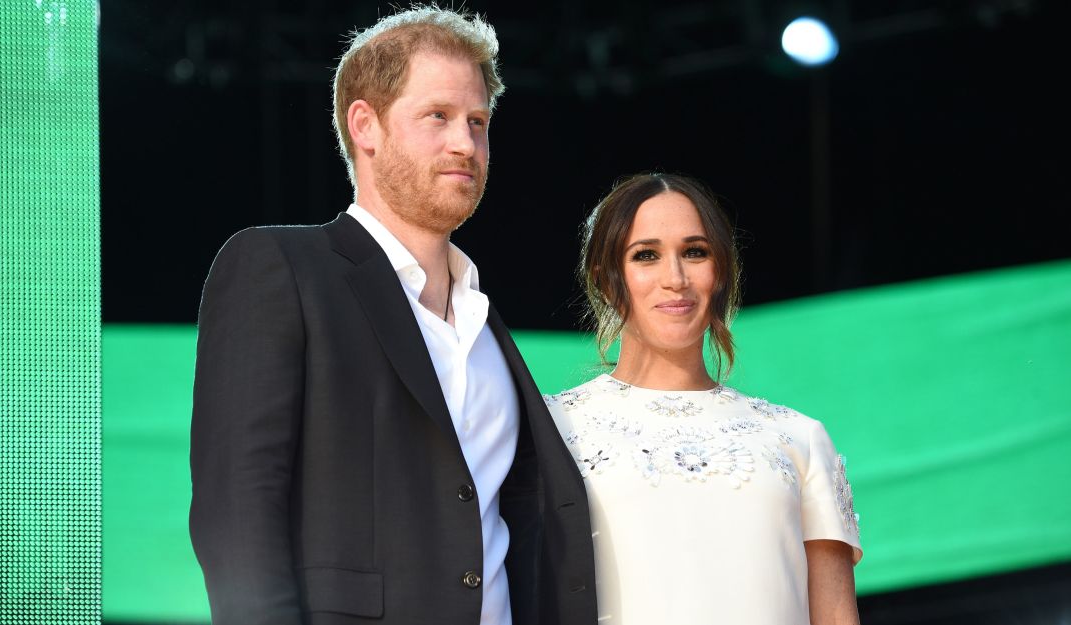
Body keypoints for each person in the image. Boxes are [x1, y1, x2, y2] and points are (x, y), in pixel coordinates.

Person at [189, 8, 597, 625]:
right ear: (365, 125)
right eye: (438, 115)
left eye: (478, 122)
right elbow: (236, 510)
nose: (466, 143)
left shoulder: (486, 323)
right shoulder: (280, 266)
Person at [546, 173, 862, 624]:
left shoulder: (798, 439)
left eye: (694, 252)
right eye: (646, 256)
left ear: (720, 273)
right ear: (607, 280)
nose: (675, 278)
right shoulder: (551, 428)